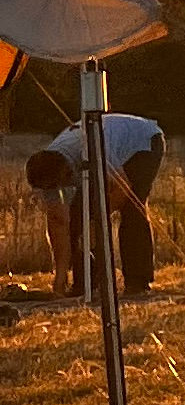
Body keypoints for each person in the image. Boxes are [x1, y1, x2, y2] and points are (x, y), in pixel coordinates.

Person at [27, 108, 165, 297]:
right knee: (78, 217)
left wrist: (96, 218)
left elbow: (122, 187)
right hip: (110, 144)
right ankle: (86, 283)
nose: (55, 191)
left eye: (59, 186)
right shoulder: (48, 171)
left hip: (143, 142)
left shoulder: (94, 151)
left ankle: (138, 282)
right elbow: (58, 223)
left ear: (67, 172)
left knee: (132, 208)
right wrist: (59, 279)